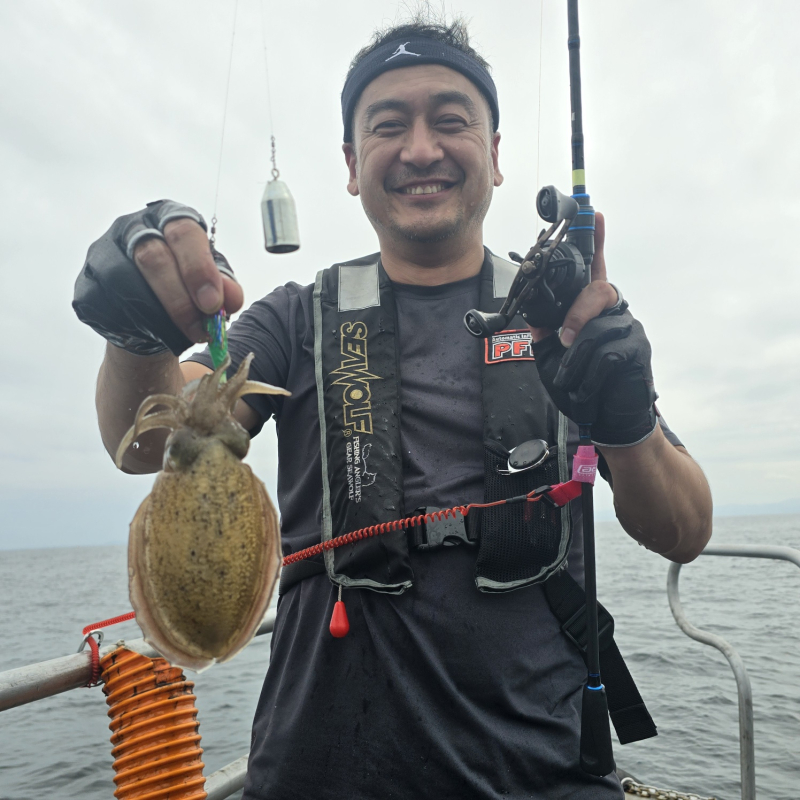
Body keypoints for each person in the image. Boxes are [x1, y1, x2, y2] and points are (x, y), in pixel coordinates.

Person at [76, 17, 712, 800]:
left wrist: (626, 422)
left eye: (451, 120)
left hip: (541, 774)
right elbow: (146, 440)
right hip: (320, 771)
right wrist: (136, 327)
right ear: (351, 164)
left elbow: (685, 528)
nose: (420, 149)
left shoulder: (563, 318)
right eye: (388, 125)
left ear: (497, 154)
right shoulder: (289, 321)